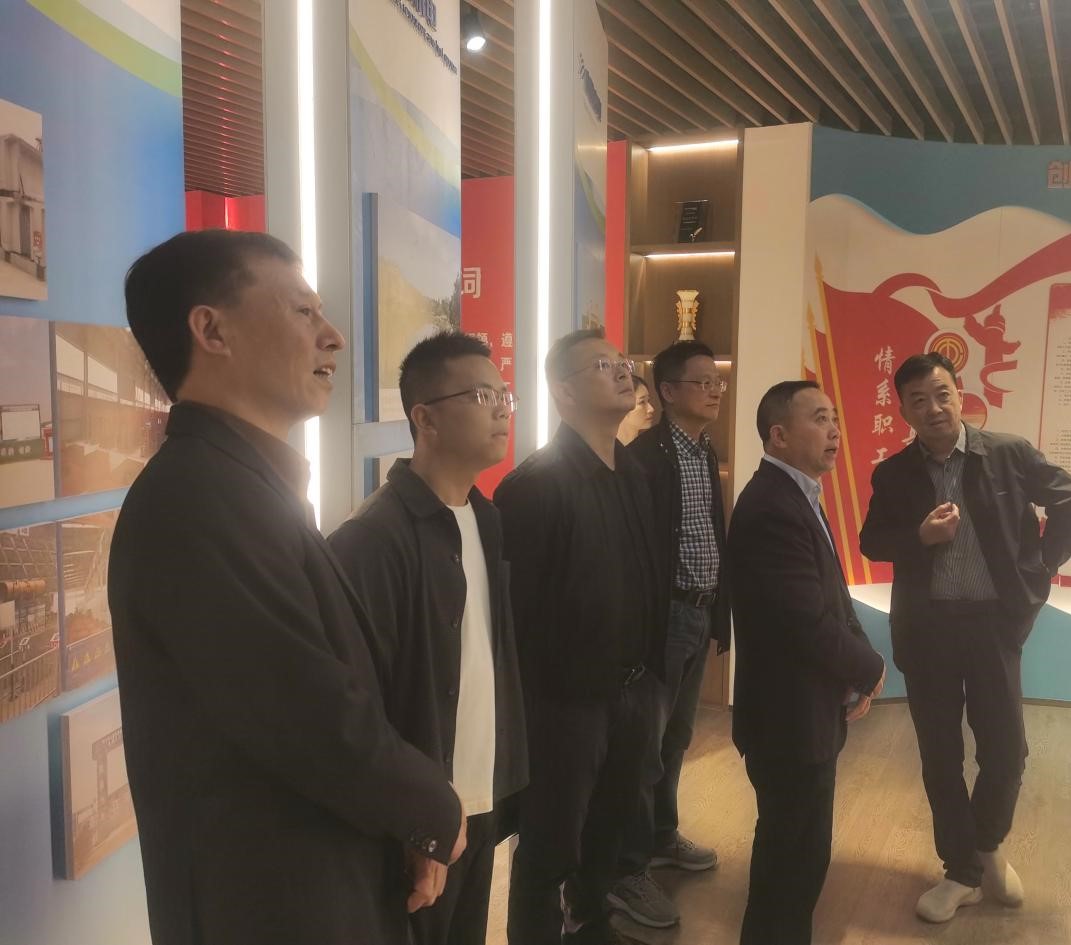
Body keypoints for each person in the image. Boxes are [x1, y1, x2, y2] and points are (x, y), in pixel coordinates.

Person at [110, 229, 467, 945]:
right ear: (212, 330)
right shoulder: (197, 499)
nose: (332, 336)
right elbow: (309, 711)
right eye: (304, 312)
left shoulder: (241, 485)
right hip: (270, 901)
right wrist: (434, 809)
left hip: (315, 878)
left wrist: (405, 818)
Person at [859, 353, 1071, 923]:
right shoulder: (894, 473)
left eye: (941, 394)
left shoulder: (1007, 453)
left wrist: (1042, 566)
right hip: (928, 629)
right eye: (917, 400)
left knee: (1007, 751)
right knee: (940, 755)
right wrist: (919, 535)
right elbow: (872, 541)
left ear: (960, 394)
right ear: (903, 410)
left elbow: (1070, 498)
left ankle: (985, 845)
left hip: (992, 625)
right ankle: (960, 871)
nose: (932, 408)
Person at [328, 331, 528, 945]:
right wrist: (415, 819)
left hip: (479, 799)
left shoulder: (484, 518)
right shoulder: (371, 540)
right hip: (418, 822)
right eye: (481, 395)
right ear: (425, 419)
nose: (501, 409)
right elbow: (359, 706)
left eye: (504, 395)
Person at [496, 329, 664, 945]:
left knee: (607, 837)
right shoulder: (534, 485)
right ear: (563, 393)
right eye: (601, 365)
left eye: (621, 362)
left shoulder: (633, 472)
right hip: (563, 705)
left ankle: (590, 926)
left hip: (632, 691)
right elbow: (515, 617)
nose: (622, 372)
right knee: (549, 847)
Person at [727, 380, 887, 945]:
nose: (834, 431)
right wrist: (869, 668)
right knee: (790, 862)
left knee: (801, 854)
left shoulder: (799, 495)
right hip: (786, 717)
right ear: (778, 435)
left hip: (806, 710)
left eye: (834, 418)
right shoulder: (772, 507)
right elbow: (805, 622)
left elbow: (833, 599)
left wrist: (858, 664)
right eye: (819, 419)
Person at [608, 341, 727, 930]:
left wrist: (720, 613)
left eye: (716, 382)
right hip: (665, 616)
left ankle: (660, 834)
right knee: (644, 746)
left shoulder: (704, 451)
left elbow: (710, 533)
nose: (714, 390)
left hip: (699, 611)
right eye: (701, 382)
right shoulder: (643, 457)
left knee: (677, 737)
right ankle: (626, 869)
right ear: (669, 391)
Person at [616, 374, 655, 445]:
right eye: (642, 402)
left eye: (648, 400)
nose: (651, 409)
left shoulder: (650, 447)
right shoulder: (601, 449)